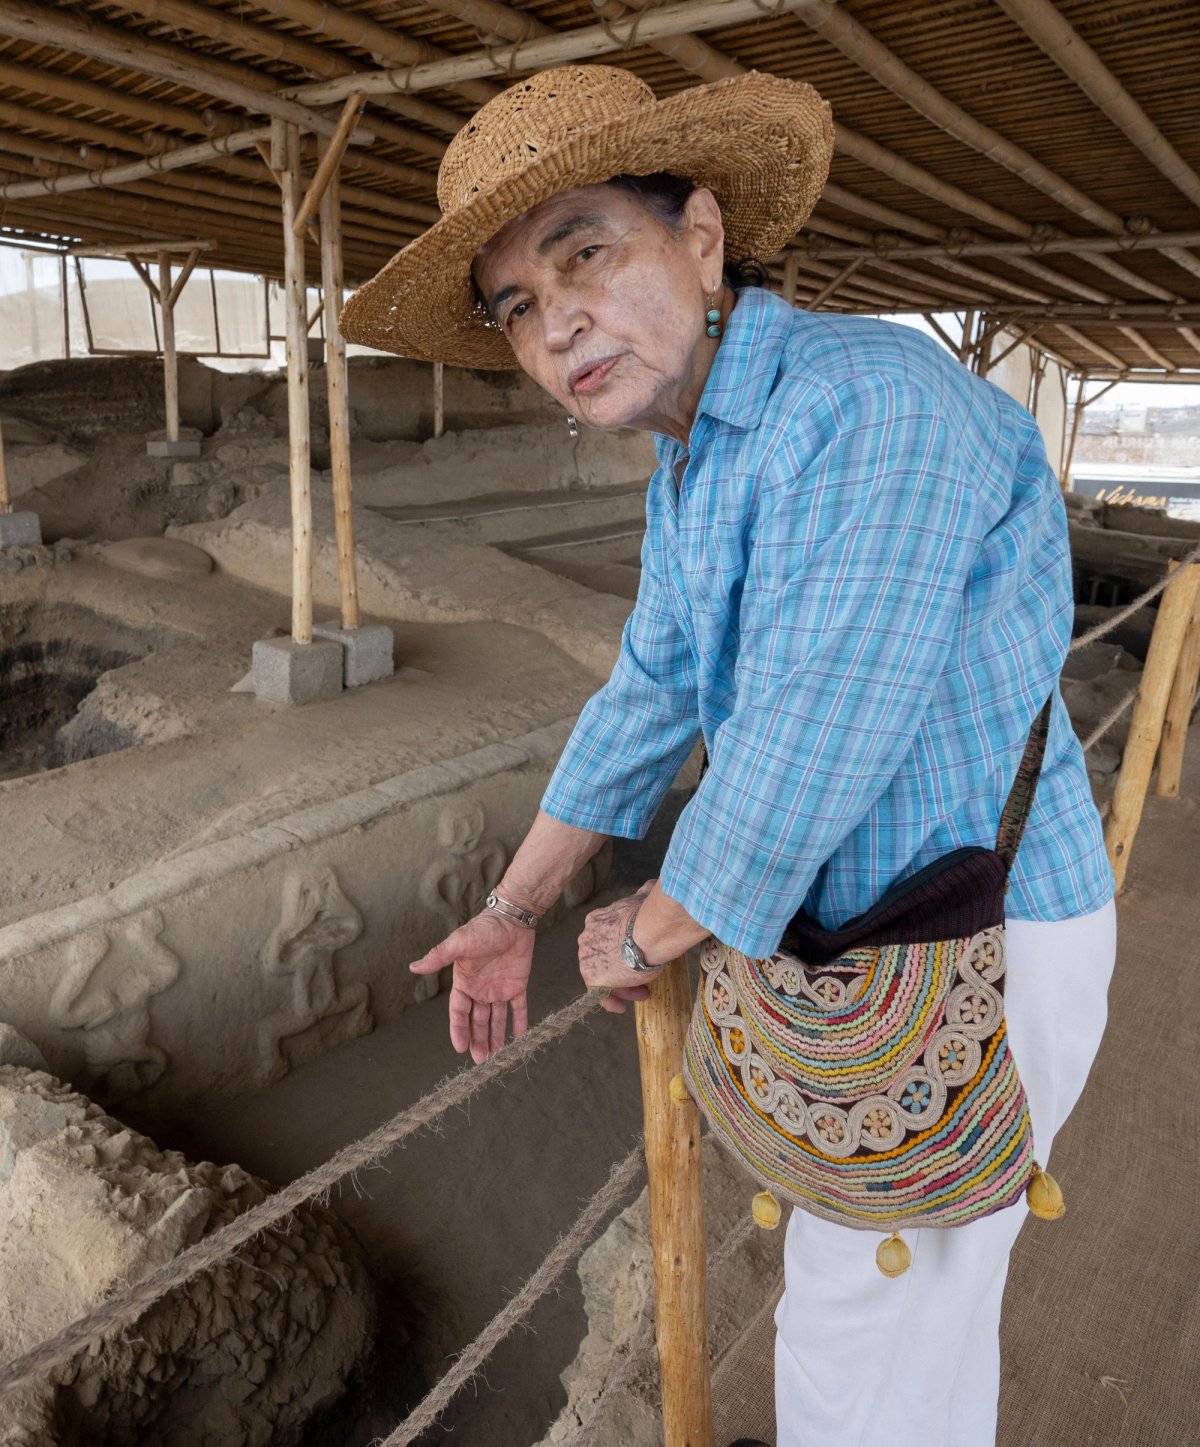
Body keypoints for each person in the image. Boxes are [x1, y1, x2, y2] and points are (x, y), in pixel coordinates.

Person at [341, 63, 1117, 1447]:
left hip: (980, 936)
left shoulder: (866, 404)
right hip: (877, 936)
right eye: (517, 306)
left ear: (700, 238)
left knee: (869, 1323)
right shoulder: (699, 462)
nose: (557, 320)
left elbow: (825, 723)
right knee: (900, 1323)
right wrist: (514, 908)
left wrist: (652, 924)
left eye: (588, 253)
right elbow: (649, 696)